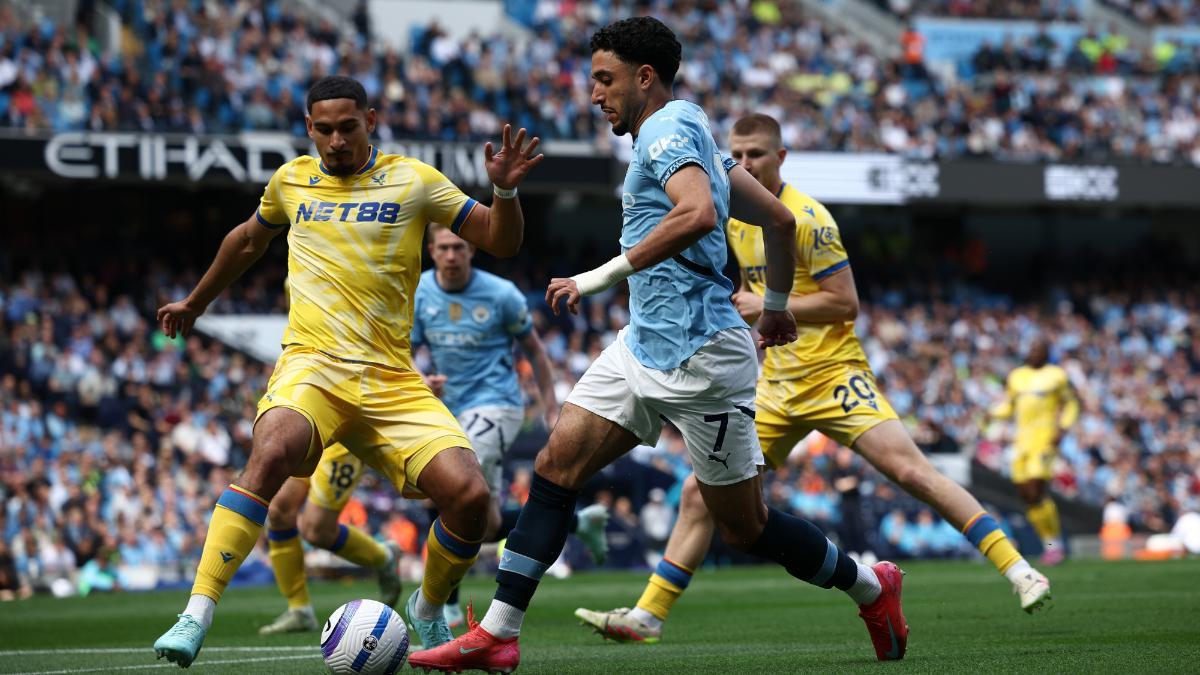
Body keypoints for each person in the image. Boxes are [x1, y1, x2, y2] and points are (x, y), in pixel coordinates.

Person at [409, 18, 907, 672]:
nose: (594, 93)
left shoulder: (668, 132)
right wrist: (778, 308)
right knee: (556, 468)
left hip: (700, 360)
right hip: (642, 345)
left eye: (604, 78)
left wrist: (602, 274)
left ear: (645, 77)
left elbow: (698, 211)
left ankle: (872, 586)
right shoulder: (690, 124)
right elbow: (778, 219)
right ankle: (499, 632)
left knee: (744, 524)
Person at [574, 113, 1053, 645]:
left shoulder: (809, 218)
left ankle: (1019, 569)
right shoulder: (733, 211)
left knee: (912, 472)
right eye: (739, 153)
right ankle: (649, 615)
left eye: (757, 154)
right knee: (696, 494)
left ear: (781, 158)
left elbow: (846, 302)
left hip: (833, 375)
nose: (746, 163)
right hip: (777, 383)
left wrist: (765, 305)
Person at [151, 75, 544, 667]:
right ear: (310, 128)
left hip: (392, 378)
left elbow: (499, 241)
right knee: (270, 451)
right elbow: (247, 241)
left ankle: (428, 606)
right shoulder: (290, 181)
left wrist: (506, 196)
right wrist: (196, 304)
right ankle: (195, 613)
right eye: (324, 129)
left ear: (371, 120)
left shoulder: (414, 180)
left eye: (347, 127)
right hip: (313, 367)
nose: (335, 140)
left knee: (468, 498)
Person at [412, 223, 610, 626]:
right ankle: (578, 522)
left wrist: (554, 409)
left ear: (471, 250)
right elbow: (406, 349)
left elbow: (535, 353)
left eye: (459, 247)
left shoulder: (501, 295)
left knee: (452, 489)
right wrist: (420, 377)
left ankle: (446, 604)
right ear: (431, 250)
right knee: (484, 523)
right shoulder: (418, 292)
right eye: (443, 248)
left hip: (497, 405)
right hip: (446, 408)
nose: (451, 255)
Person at [255, 443, 404, 635]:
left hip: (340, 436)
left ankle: (384, 557)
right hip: (310, 434)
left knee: (316, 531)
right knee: (278, 511)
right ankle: (299, 610)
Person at [992, 338, 1078, 565]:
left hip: (1045, 440)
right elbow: (1009, 406)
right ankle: (1050, 544)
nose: (1033, 352)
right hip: (1021, 443)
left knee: (1036, 487)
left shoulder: (1057, 375)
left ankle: (1055, 545)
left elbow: (1071, 404)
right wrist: (992, 413)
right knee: (1027, 496)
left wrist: (1063, 428)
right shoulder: (1016, 376)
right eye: (1031, 348)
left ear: (1046, 353)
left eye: (1038, 349)